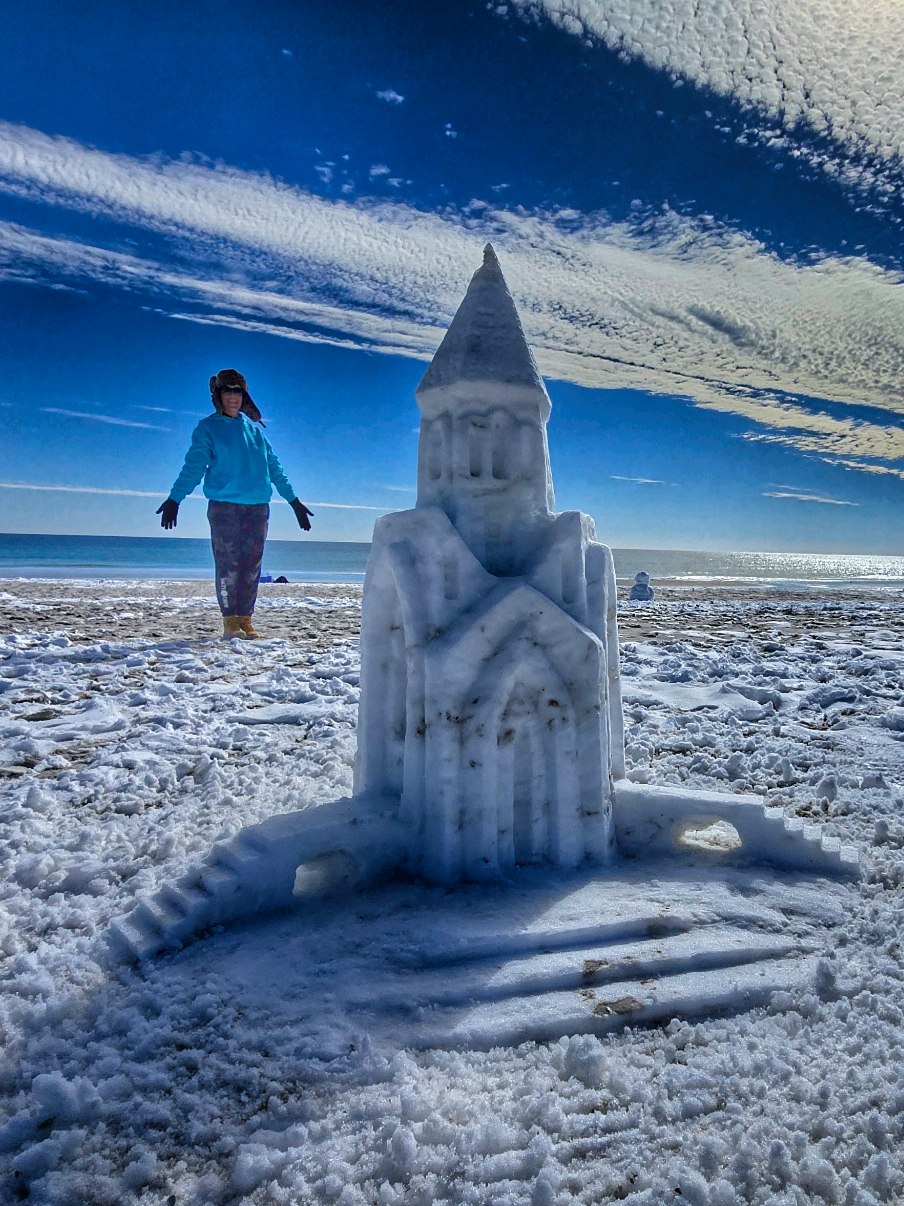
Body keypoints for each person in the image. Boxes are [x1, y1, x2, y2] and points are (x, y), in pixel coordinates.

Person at [156, 368, 313, 639]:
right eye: (227, 390)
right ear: (218, 395)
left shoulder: (256, 433)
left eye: (238, 391)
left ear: (244, 396)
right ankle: (230, 621)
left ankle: (246, 619)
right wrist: (175, 499)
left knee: (252, 565)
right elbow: (193, 467)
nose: (233, 396)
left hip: (258, 507)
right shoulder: (207, 428)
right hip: (224, 507)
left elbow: (275, 469)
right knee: (227, 566)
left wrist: (294, 502)